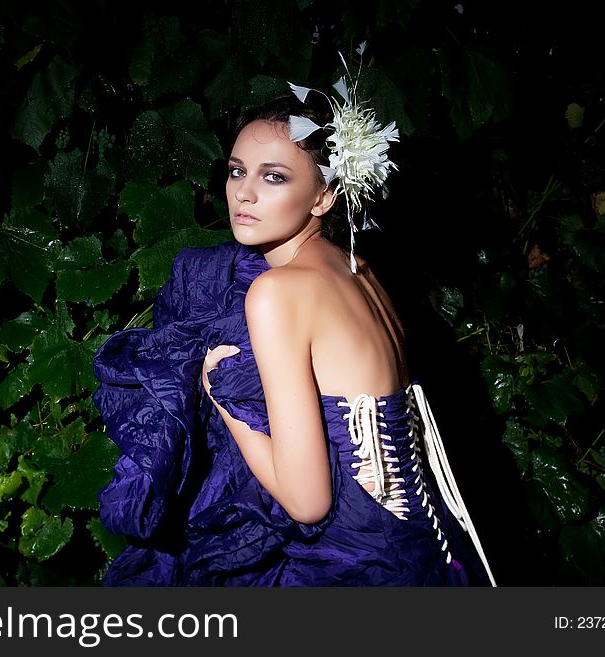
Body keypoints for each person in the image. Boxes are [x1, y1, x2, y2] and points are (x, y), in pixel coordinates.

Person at [92, 48, 496, 586]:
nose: (244, 192)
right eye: (237, 171)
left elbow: (307, 501)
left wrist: (219, 394)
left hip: (351, 557)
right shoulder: (359, 268)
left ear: (326, 195)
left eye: (275, 177)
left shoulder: (279, 293)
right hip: (421, 542)